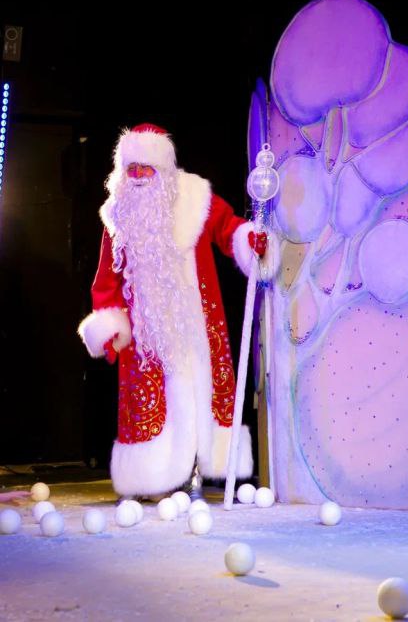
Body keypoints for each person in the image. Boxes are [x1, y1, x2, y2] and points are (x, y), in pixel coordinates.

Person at [78, 123, 278, 500]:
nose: (138, 177)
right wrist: (108, 322)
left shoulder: (195, 198)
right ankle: (153, 480)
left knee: (201, 394)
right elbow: (107, 276)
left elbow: (227, 228)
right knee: (152, 407)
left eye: (146, 168)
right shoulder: (117, 214)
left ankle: (197, 471)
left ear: (163, 169)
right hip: (145, 335)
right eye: (131, 169)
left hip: (196, 325)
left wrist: (249, 240)